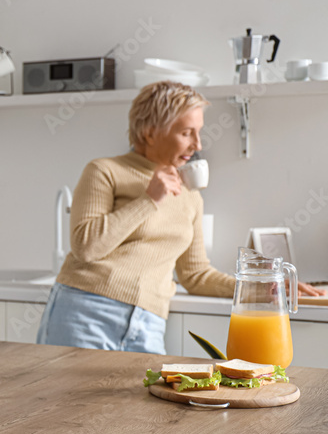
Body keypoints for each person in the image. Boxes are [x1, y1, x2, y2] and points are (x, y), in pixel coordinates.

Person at [36, 81, 322, 353]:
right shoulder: (104, 171)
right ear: (149, 133)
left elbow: (196, 275)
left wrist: (265, 289)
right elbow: (86, 247)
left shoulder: (190, 196)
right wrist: (149, 200)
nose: (197, 145)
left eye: (198, 132)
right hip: (84, 312)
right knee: (69, 405)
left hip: (148, 323)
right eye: (186, 133)